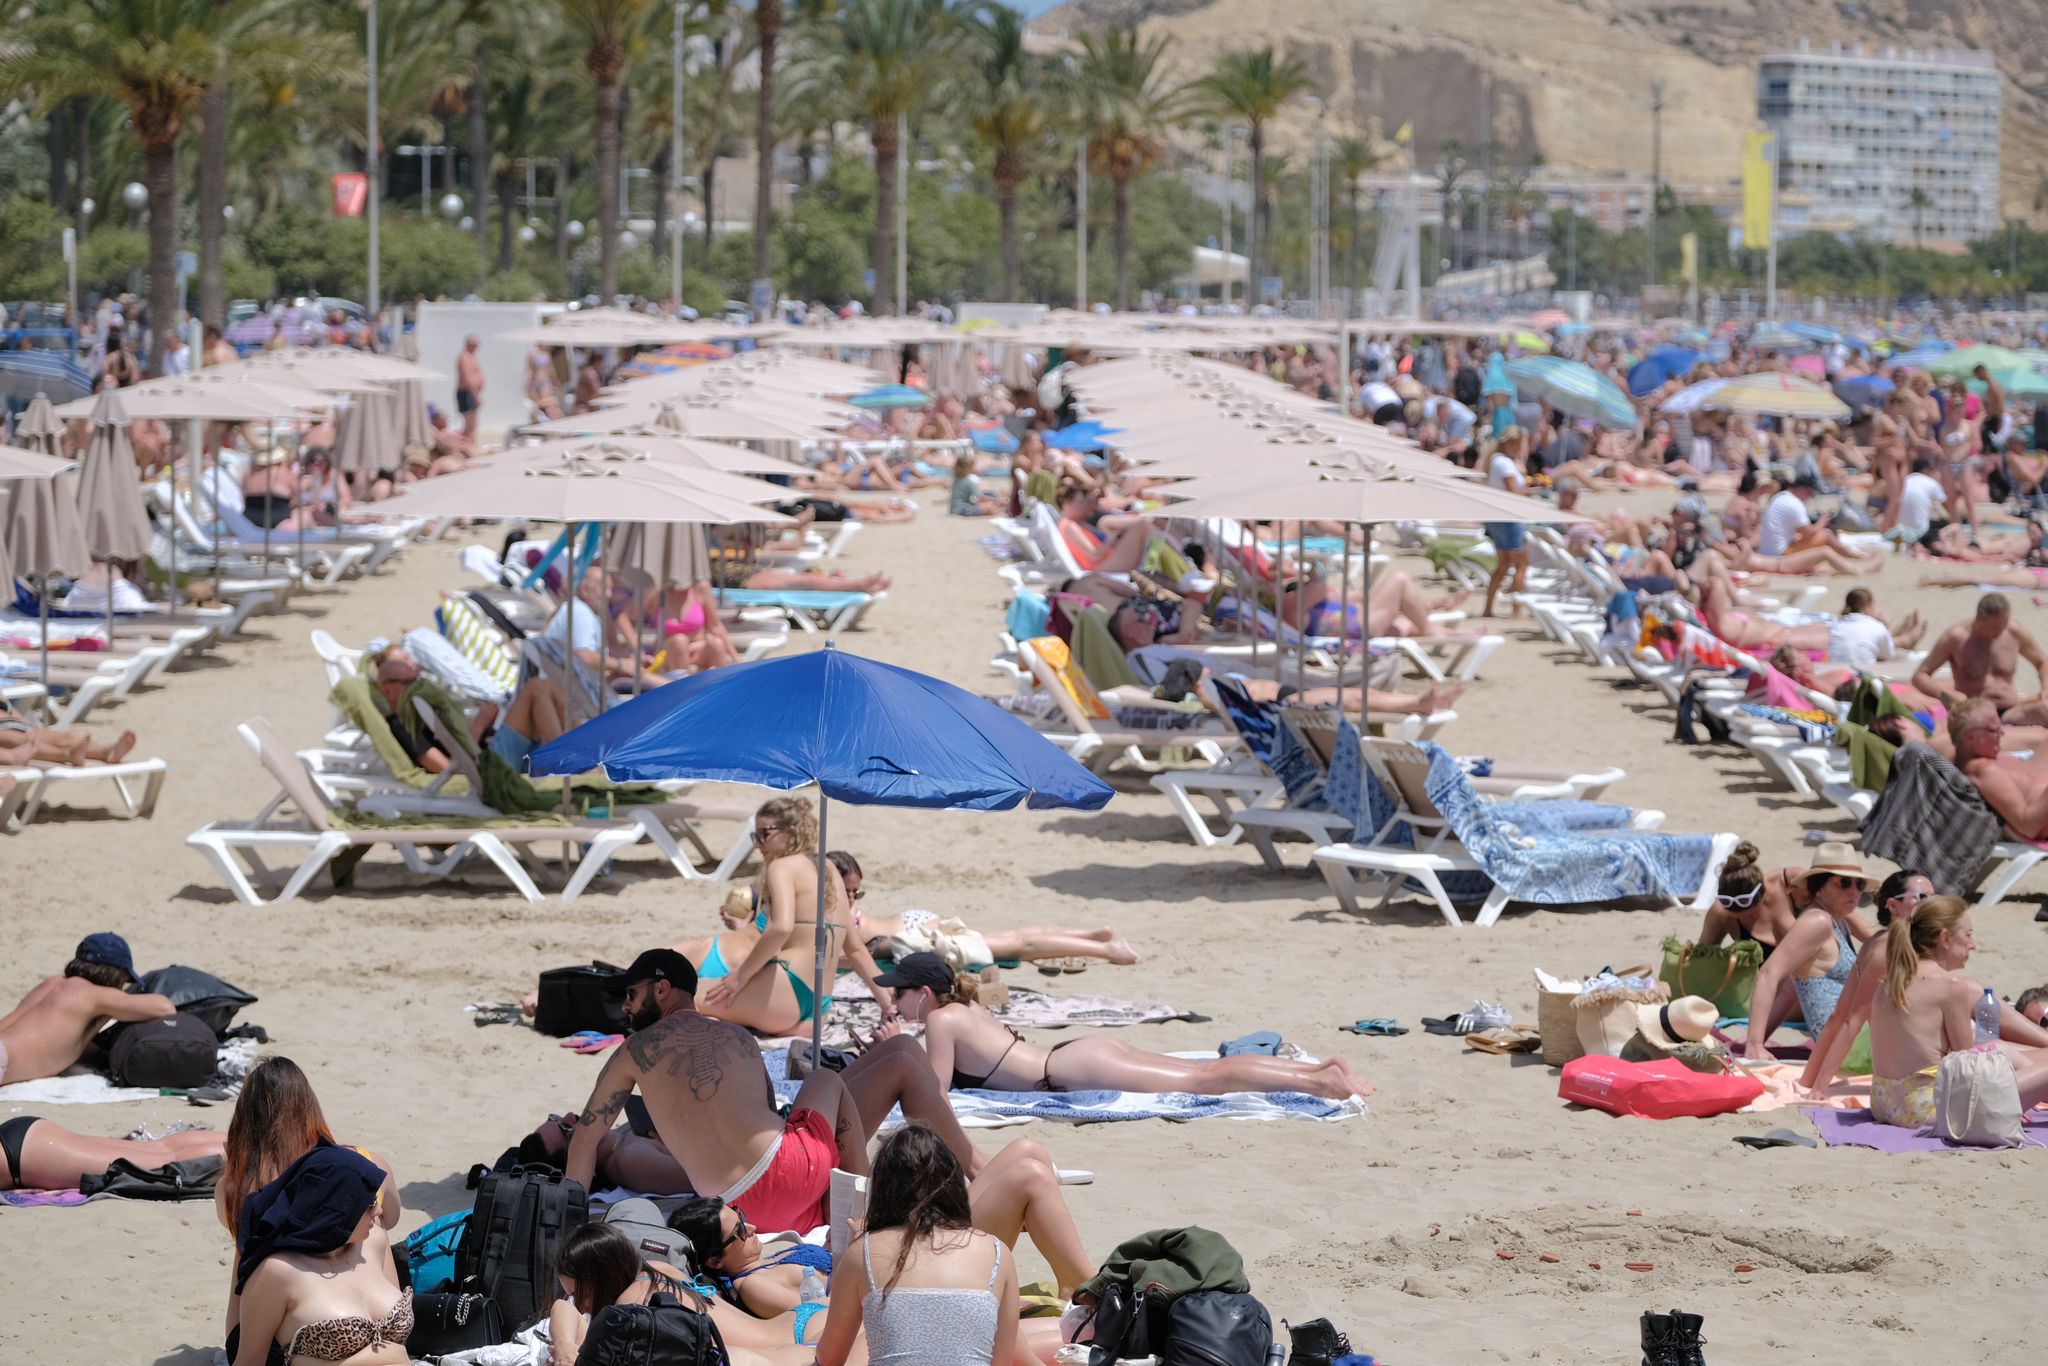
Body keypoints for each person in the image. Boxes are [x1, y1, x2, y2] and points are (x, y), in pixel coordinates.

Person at [876, 952, 1372, 1100]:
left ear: (923, 994)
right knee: (1198, 1068)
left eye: (899, 992)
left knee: (1203, 1081)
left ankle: (1320, 1081)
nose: (894, 1000)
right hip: (1078, 1053)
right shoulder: (964, 1008)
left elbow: (934, 1095)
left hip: (1075, 1067)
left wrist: (898, 1047)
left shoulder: (940, 1021)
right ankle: (1317, 1070)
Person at [218, 1057, 401, 1348]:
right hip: (361, 1318)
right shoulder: (363, 1164)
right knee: (376, 1231)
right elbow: (389, 1217)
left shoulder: (235, 1185)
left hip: (250, 1329)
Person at [816, 1124, 1024, 1366]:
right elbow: (1003, 1361)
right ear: (954, 1184)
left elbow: (829, 1358)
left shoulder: (863, 1252)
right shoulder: (998, 1252)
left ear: (883, 1191)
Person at [695, 797, 892, 1035]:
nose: (758, 845)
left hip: (786, 993)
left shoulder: (782, 867)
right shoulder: (829, 869)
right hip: (818, 1012)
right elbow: (856, 949)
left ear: (789, 832)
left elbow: (781, 928)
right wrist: (888, 1004)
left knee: (683, 996)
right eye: (755, 836)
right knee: (715, 1010)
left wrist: (740, 977)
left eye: (763, 834)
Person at [1868, 897, 2048, 1127]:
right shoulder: (1950, 987)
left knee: (2002, 1051)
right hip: (1925, 1111)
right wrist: (2008, 1099)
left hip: (1884, 1105)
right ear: (1945, 938)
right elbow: (1970, 1068)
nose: (1973, 944)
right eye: (1968, 935)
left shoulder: (1888, 984)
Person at [230, 1145, 411, 1366]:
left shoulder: (374, 1241)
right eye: (370, 1204)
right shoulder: (279, 1272)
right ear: (338, 1207)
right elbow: (250, 1361)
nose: (379, 1211)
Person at [546, 1221, 810, 1364]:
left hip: (795, 1343)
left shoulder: (632, 1305)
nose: (580, 1306)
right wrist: (566, 1347)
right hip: (799, 1323)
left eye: (580, 1294)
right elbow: (562, 1307)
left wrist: (569, 1351)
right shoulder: (654, 1271)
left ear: (603, 1279)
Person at [827, 851, 1141, 971]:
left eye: (858, 892)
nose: (853, 898)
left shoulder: (836, 913)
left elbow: (853, 954)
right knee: (1008, 937)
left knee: (1018, 947)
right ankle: (1092, 935)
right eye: (849, 891)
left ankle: (1106, 949)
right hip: (915, 923)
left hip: (921, 935)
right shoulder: (833, 908)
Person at [1741, 844, 1877, 1061]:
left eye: (1859, 884)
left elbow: (1790, 990)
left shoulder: (1833, 919)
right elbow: (1769, 973)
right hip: (1847, 1046)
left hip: (1850, 1040)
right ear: (1819, 887)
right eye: (1843, 883)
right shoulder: (1817, 922)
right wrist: (1754, 1045)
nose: (1853, 891)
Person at [0, 933, 173, 1086]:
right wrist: (115, 1006)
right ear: (117, 976)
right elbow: (165, 1007)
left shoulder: (52, 983)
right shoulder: (95, 995)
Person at [668, 1197, 835, 1344]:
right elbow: (818, 1314)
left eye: (741, 1217)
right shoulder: (752, 1286)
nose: (752, 1228)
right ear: (715, 1261)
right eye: (739, 1230)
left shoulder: (761, 1258)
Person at [1696, 841, 1801, 1035]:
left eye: (1751, 913)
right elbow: (1700, 963)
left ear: (1762, 893)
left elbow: (1841, 909)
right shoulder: (1721, 913)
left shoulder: (1789, 882)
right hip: (1777, 996)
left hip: (1812, 980)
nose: (1744, 917)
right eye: (1736, 915)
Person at [1912, 594, 2048, 726]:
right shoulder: (1956, 638)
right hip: (1973, 712)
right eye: (1994, 628)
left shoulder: (2014, 632)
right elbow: (1920, 676)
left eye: (2003, 626)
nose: (1999, 633)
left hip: (2011, 710)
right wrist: (1946, 697)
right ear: (1978, 618)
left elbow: (2042, 662)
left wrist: (2045, 688)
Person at [0, 1116, 223, 1193]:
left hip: (26, 1154)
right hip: (31, 1139)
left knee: (160, 1157)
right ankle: (249, 1146)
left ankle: (249, 1150)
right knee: (160, 1150)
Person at [1481, 427, 1530, 619]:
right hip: (1509, 518)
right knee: (1521, 565)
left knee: (1503, 566)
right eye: (1517, 445)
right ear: (1508, 444)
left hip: (1497, 517)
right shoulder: (1504, 464)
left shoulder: (1495, 461)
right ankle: (1516, 609)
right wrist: (1531, 490)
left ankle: (1488, 608)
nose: (1519, 450)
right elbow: (1513, 493)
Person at [1826, 587, 1922, 669]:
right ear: (1868, 605)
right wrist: (1885, 625)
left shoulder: (1836, 625)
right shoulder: (1875, 626)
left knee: (1872, 646)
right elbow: (1887, 655)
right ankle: (1906, 638)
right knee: (1900, 656)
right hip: (1862, 677)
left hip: (1836, 673)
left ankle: (1902, 634)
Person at [1757, 472, 1820, 556]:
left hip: (1767, 551)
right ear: (1802, 489)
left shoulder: (1779, 497)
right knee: (1825, 535)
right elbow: (1809, 533)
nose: (1808, 498)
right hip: (1779, 554)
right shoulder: (1795, 503)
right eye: (1809, 494)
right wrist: (1823, 521)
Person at [454, 335, 484, 439]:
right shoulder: (464, 357)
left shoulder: (471, 357)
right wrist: (476, 396)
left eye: (476, 345)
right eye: (472, 345)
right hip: (467, 392)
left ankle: (471, 444)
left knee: (473, 422)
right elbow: (468, 378)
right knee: (470, 423)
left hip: (471, 393)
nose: (474, 348)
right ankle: (469, 445)